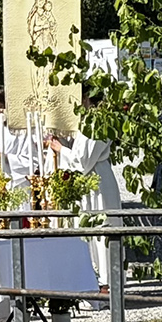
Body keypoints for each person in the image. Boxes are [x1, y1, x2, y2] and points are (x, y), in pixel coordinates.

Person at [48, 121, 124, 288]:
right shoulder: (81, 124)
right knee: (82, 230)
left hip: (97, 182)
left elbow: (82, 162)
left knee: (101, 230)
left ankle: (106, 282)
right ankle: (87, 280)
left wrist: (61, 149)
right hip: (83, 185)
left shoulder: (97, 123)